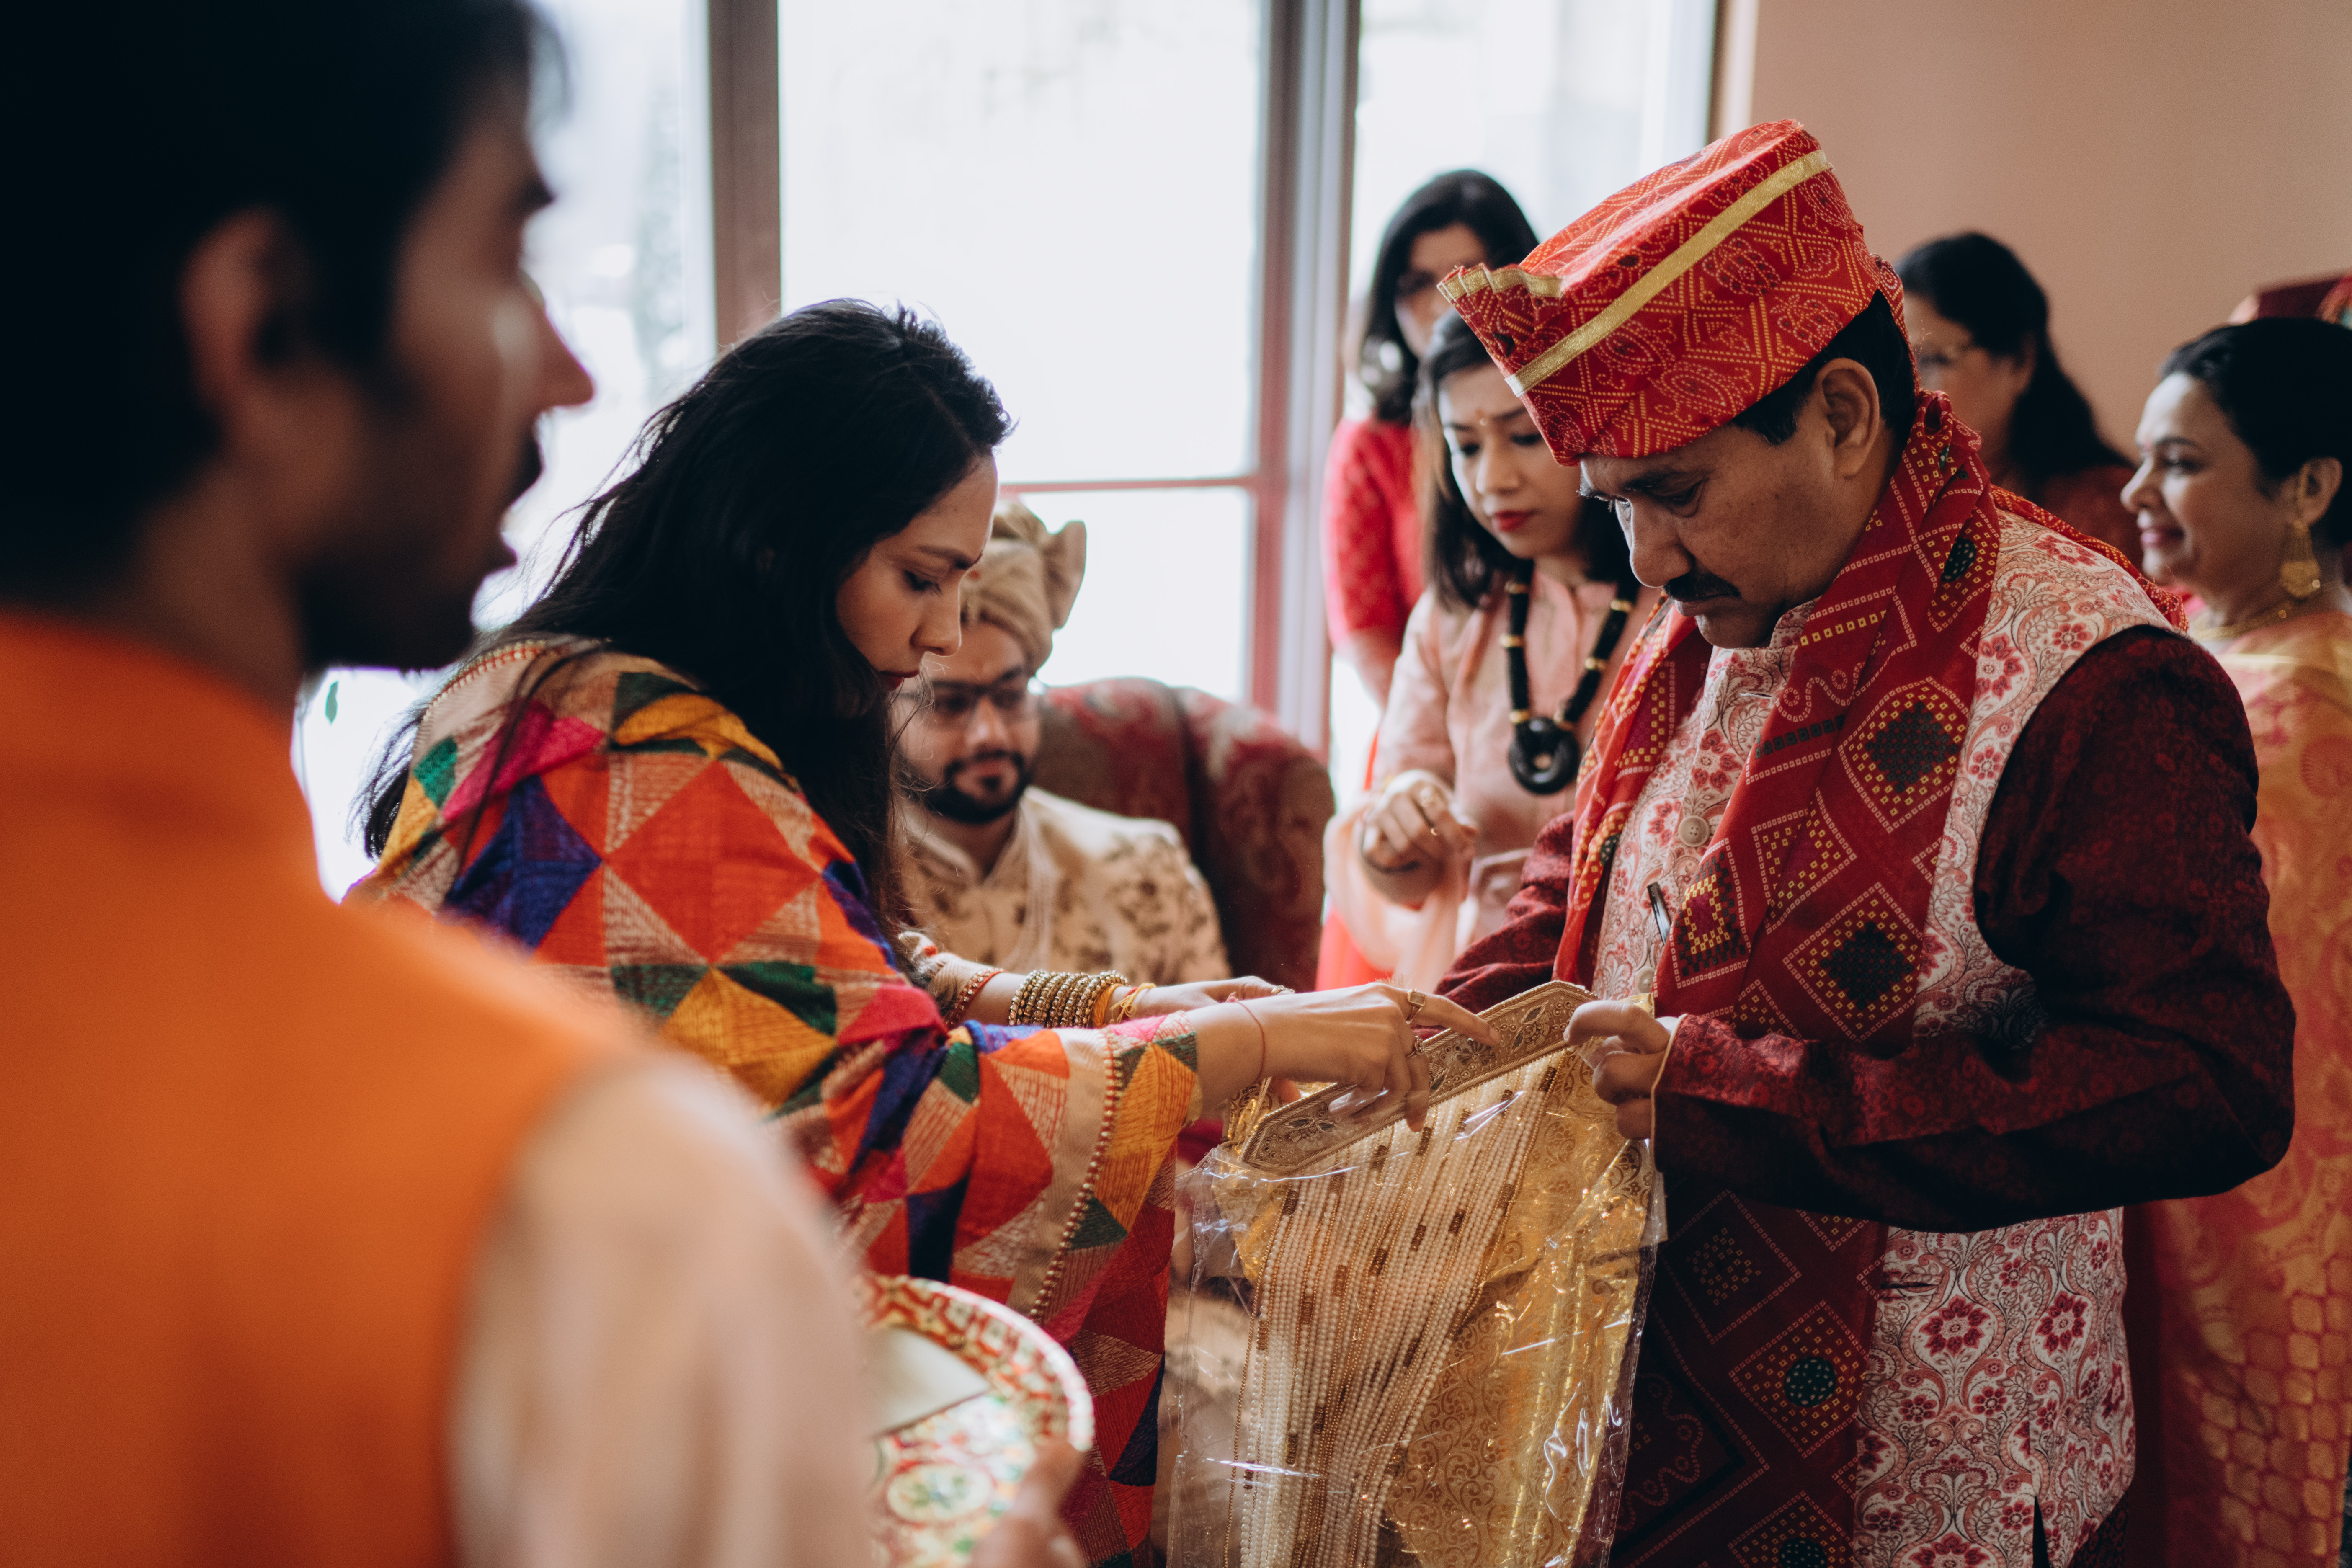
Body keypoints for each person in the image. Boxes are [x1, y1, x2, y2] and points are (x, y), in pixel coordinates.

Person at [0, 3, 1086, 1564]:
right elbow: (877, 1110)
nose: (570, 372)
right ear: (265, 326)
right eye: (506, 257)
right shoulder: (588, 1206)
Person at [354, 298, 1496, 1566]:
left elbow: (863, 977)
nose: (946, 632)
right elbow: (893, 1136)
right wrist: (1239, 1047)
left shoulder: (574, 700)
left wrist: (1151, 1016)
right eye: (921, 577)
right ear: (783, 541)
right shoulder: (639, 769)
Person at [1435, 120, 2294, 1568]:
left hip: (1923, 1467)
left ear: (1842, 414)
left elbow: (2209, 1082)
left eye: (1675, 492)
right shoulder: (1709, 611)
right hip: (1634, 1396)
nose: (1645, 560)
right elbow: (1587, 872)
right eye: (1617, 504)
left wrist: (1740, 1094)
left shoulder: (2090, 677)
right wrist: (1442, 1034)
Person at [2115, 318, 2352, 1568]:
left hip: (2238, 1206)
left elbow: (2290, 1027)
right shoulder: (2207, 652)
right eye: (2143, 459)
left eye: (2181, 463)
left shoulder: (2304, 706)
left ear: (2307, 487)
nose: (2136, 493)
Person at [1326, 312, 1661, 990]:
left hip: (1639, 986)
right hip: (1481, 991)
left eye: (1523, 437)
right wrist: (1403, 827)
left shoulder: (1680, 603)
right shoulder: (1455, 615)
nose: (1493, 479)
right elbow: (1406, 873)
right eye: (1466, 446)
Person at [899, 497, 1230, 986]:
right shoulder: (841, 879)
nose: (990, 732)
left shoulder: (1148, 870)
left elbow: (1227, 1033)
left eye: (1010, 696)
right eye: (950, 704)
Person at [1325, 169, 1540, 708]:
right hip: (1423, 722)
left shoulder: (1576, 410)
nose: (1443, 305)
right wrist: (1436, 734)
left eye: (1466, 277)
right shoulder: (1372, 445)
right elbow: (1365, 633)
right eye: (1418, 284)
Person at [1896, 231, 2141, 555]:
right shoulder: (1888, 496)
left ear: (2019, 361)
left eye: (1932, 359)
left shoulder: (2104, 511)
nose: (1910, 386)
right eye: (1898, 362)